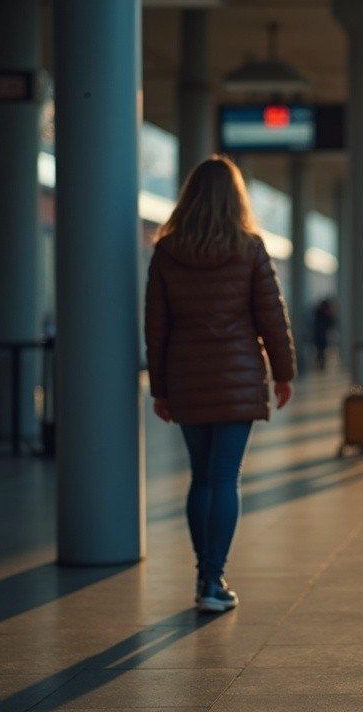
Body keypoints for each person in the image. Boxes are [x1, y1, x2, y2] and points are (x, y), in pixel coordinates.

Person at [145, 156, 296, 614]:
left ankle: (203, 575)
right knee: (225, 477)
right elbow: (272, 314)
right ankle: (214, 578)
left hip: (188, 376)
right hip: (237, 376)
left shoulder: (167, 251)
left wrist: (160, 387)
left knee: (202, 477)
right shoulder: (249, 247)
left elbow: (156, 327)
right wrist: (284, 373)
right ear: (236, 198)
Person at [311, 297, 337, 371]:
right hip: (321, 335)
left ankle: (320, 363)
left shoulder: (318, 313)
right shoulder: (324, 314)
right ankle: (321, 364)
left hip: (319, 335)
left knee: (320, 350)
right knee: (321, 350)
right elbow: (331, 323)